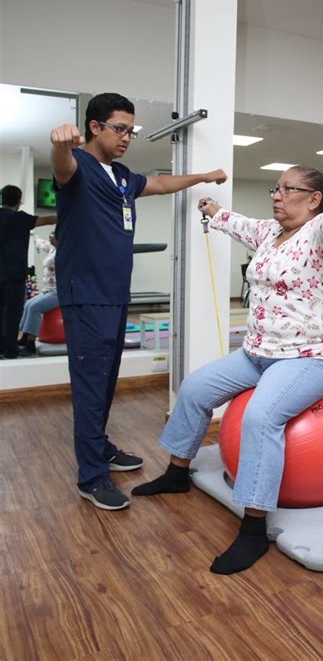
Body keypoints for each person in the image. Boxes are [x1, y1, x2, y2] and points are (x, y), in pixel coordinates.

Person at [133, 162, 323, 574]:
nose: (276, 196)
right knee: (194, 388)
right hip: (257, 353)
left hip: (309, 356)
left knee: (260, 417)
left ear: (314, 199)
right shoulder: (269, 234)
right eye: (275, 190)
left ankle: (254, 528)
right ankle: (177, 472)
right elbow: (237, 223)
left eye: (287, 189)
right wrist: (210, 209)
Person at [51, 92, 227, 512]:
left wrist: (203, 175)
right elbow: (62, 167)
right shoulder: (79, 167)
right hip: (87, 297)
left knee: (105, 382)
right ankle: (92, 477)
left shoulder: (123, 176)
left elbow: (162, 183)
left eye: (132, 130)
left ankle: (102, 447)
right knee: (91, 387)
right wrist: (60, 144)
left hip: (114, 296)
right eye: (120, 128)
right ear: (94, 127)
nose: (128, 136)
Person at [0, 185, 56, 359]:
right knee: (12, 313)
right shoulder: (22, 219)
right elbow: (48, 219)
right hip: (15, 274)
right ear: (19, 201)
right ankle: (10, 350)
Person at [18, 232, 59, 357]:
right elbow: (42, 244)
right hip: (48, 290)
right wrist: (33, 236)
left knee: (34, 308)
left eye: (52, 235)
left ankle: (30, 345)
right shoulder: (52, 249)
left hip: (59, 292)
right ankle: (25, 336)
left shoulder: (64, 252)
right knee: (28, 304)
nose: (50, 237)